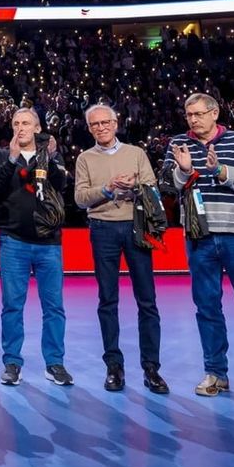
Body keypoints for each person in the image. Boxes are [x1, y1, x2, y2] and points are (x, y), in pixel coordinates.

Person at [159, 93, 234, 404]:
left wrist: (219, 171)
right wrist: (184, 170)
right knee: (207, 308)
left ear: (214, 113)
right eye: (189, 115)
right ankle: (216, 373)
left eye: (199, 114)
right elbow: (168, 186)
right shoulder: (178, 143)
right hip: (198, 237)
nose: (193, 119)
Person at [73, 104, 167, 395]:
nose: (101, 127)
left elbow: (152, 188)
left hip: (136, 227)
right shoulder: (85, 158)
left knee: (147, 300)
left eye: (106, 122)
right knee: (107, 300)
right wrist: (108, 189)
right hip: (102, 228)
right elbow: (80, 198)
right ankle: (114, 366)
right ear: (90, 129)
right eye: (95, 124)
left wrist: (134, 186)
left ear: (116, 124)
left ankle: (151, 368)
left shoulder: (136, 153)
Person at [0, 107, 72, 388]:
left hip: (49, 242)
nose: (20, 128)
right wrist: (12, 159)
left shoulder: (51, 154)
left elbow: (62, 184)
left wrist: (50, 157)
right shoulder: (1, 155)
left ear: (37, 128)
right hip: (13, 241)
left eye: (26, 123)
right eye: (16, 123)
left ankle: (55, 363)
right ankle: (12, 363)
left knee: (54, 307)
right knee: (12, 306)